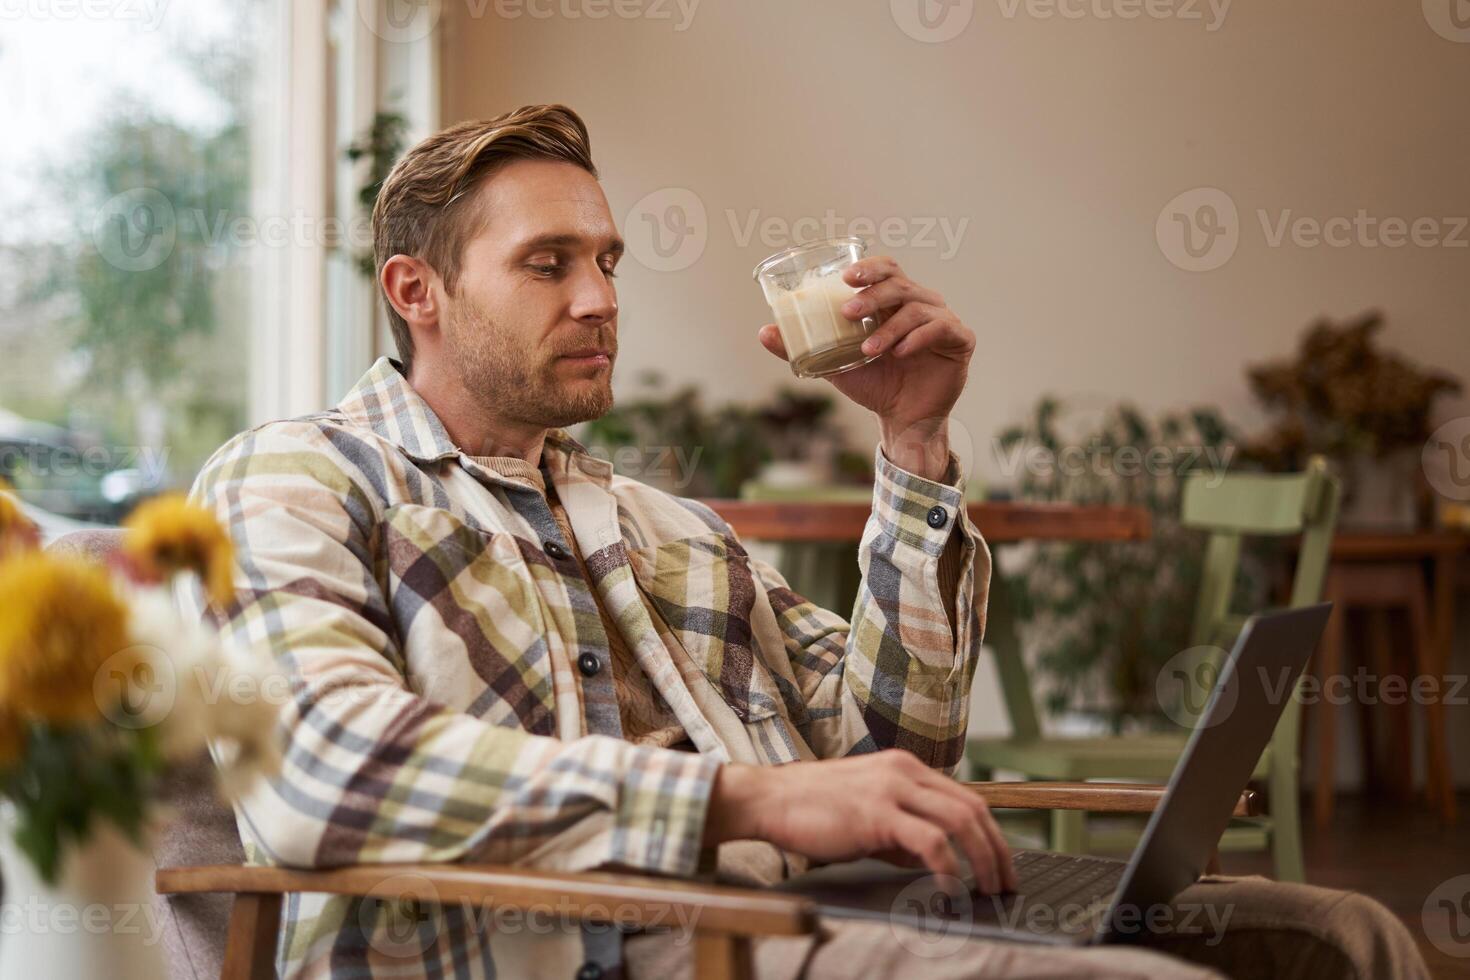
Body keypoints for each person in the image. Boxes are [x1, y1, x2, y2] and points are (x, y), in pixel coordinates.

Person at [182, 103, 1427, 980]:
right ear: (417, 292)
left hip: (820, 917)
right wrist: (755, 796)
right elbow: (322, 781)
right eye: (548, 263)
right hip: (591, 944)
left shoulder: (664, 526)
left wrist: (916, 449)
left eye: (607, 260)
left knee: (1343, 936)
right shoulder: (297, 477)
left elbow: (895, 747)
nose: (602, 297)